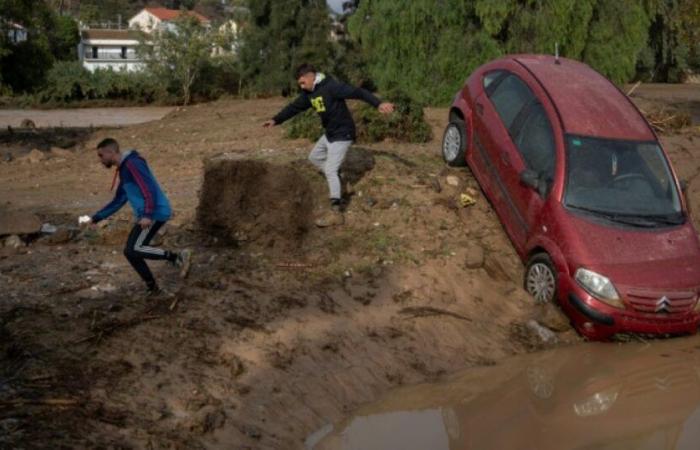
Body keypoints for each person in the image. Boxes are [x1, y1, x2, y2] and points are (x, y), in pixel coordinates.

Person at [263, 63, 395, 227]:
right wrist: (276, 120)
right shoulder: (308, 93)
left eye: (303, 82)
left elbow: (358, 92)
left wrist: (378, 104)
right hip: (330, 134)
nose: (301, 86)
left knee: (330, 170)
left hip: (343, 133)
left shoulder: (332, 87)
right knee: (314, 157)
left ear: (311, 76)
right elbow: (294, 108)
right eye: (300, 84)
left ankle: (336, 212)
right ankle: (338, 182)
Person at [88, 138, 191, 296]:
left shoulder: (133, 164)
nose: (100, 159)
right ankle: (152, 288)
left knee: (134, 248)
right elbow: (119, 200)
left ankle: (176, 257)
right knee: (130, 252)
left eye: (101, 155)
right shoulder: (124, 169)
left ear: (111, 152)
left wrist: (147, 214)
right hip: (147, 214)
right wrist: (96, 218)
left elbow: (148, 188)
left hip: (154, 213)